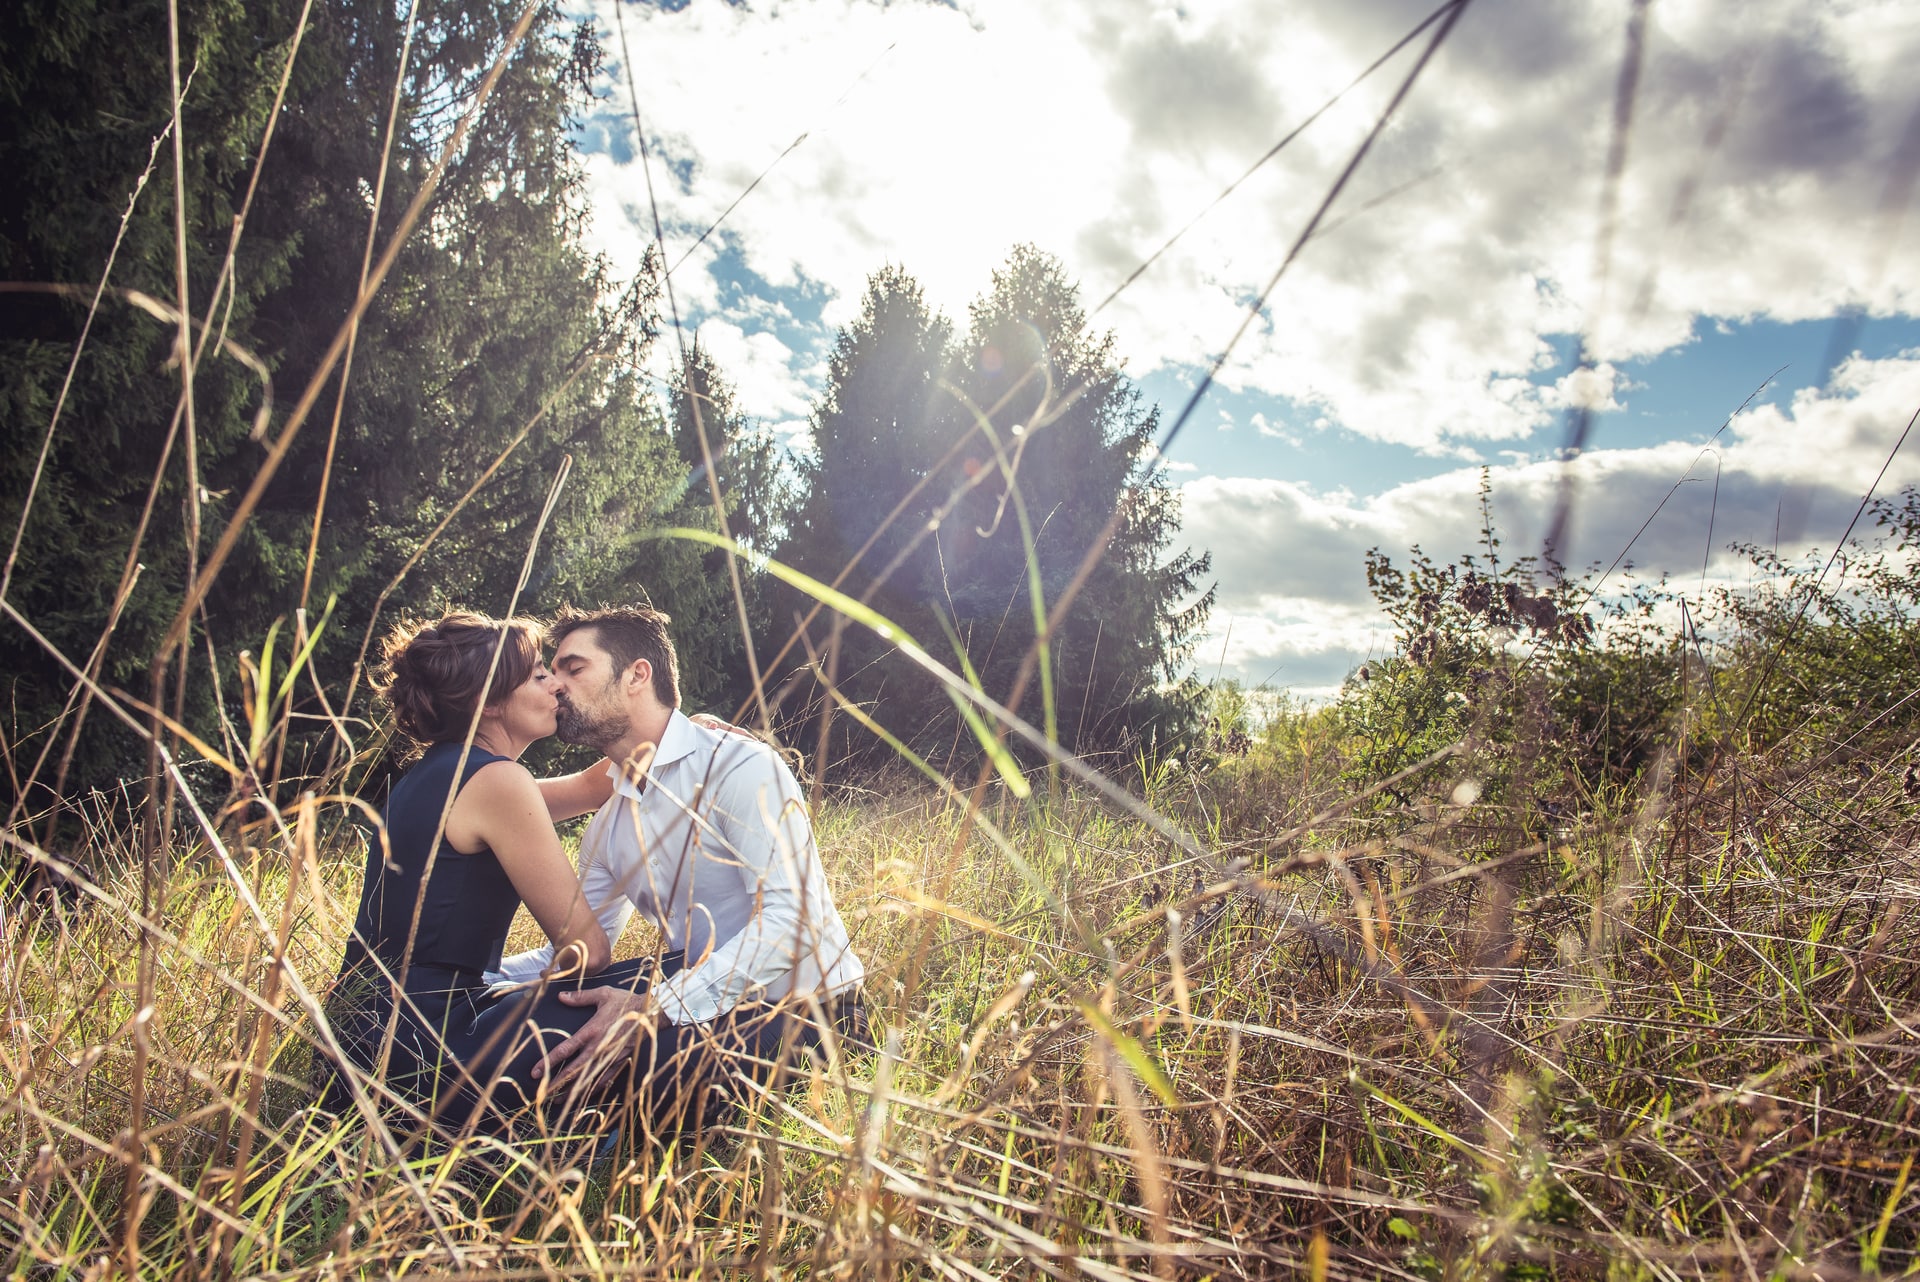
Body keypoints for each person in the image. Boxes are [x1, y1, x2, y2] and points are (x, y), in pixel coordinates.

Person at [488, 604, 866, 1132]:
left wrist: (656, 1006)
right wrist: (483, 982)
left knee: (646, 1073)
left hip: (812, 1009)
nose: (555, 685)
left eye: (574, 669)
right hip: (704, 1004)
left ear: (637, 675)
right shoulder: (607, 825)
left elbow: (794, 922)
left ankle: (599, 1158)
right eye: (552, 672)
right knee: (555, 1020)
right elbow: (576, 955)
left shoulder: (738, 765)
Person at [320, 611, 630, 1134]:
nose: (556, 683)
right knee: (644, 986)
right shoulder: (499, 783)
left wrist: (668, 729)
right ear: (488, 703)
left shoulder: (438, 774)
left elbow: (586, 788)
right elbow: (588, 951)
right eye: (537, 674)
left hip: (358, 1038)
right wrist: (538, 994)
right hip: (428, 1050)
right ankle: (591, 1140)